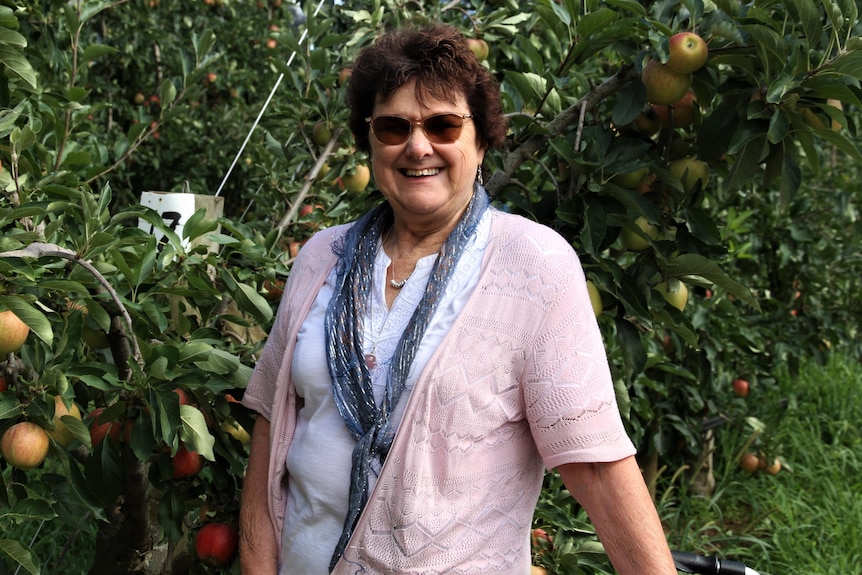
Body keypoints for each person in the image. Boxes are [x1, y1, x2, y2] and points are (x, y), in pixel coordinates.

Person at [239, 22, 677, 575]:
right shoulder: (321, 258)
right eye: (393, 127)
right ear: (369, 140)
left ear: (483, 137)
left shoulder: (533, 265)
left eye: (444, 124)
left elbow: (594, 463)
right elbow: (271, 426)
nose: (418, 146)